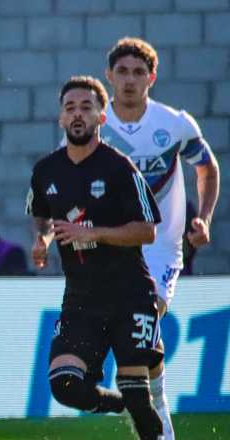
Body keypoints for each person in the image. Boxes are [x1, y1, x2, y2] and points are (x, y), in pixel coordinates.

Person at [28, 76, 164, 440]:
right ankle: (117, 404)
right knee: (64, 385)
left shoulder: (120, 168)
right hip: (81, 298)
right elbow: (41, 213)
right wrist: (41, 241)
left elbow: (147, 230)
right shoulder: (46, 171)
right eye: (70, 108)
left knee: (139, 392)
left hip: (130, 292)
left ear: (101, 118)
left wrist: (95, 233)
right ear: (60, 118)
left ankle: (134, 406)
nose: (77, 115)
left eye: (86, 108)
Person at [101, 38, 220, 439]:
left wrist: (202, 218)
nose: (130, 80)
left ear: (152, 77)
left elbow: (207, 169)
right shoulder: (93, 125)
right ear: (109, 76)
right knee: (132, 345)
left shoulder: (173, 125)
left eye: (139, 72)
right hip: (107, 249)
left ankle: (159, 424)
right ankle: (156, 415)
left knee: (145, 320)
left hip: (161, 250)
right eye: (123, 72)